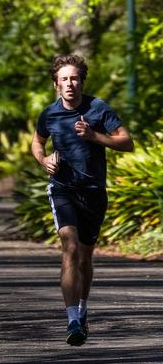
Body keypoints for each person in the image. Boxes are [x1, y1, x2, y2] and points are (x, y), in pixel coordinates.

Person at [31, 54, 134, 346]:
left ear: (82, 81)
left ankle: (83, 309)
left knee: (86, 258)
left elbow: (127, 142)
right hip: (63, 188)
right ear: (56, 84)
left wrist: (94, 136)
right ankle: (72, 320)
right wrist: (44, 160)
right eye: (64, 79)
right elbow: (37, 142)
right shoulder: (49, 114)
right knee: (70, 246)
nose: (69, 84)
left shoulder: (98, 108)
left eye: (74, 78)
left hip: (93, 192)